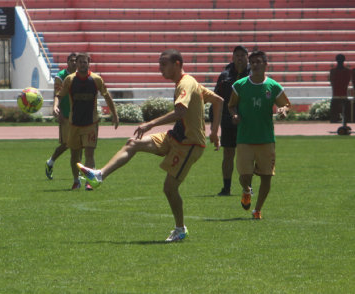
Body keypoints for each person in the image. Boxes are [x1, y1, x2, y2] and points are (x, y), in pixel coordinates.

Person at [78, 49, 224, 242]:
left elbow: (180, 112)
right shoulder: (190, 82)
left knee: (169, 188)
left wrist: (150, 124)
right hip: (175, 137)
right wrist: (214, 131)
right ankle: (99, 175)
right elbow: (218, 101)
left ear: (177, 64)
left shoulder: (186, 83)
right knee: (133, 143)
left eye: (163, 64)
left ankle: (180, 229)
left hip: (190, 144)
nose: (160, 68)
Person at [228, 50, 291, 220]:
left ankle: (257, 210)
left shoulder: (273, 86)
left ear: (265, 65)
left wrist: (283, 110)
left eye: (258, 62)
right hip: (245, 138)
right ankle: (247, 190)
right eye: (252, 62)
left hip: (266, 138)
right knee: (244, 175)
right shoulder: (240, 85)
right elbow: (231, 105)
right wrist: (234, 114)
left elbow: (285, 104)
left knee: (266, 176)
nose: (255, 65)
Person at [53, 52, 119, 190]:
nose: (83, 64)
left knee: (89, 153)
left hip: (91, 123)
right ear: (76, 64)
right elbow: (59, 95)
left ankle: (90, 181)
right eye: (81, 62)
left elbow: (107, 96)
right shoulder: (69, 80)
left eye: (85, 62)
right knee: (74, 155)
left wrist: (115, 114)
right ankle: (76, 180)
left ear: (89, 63)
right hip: (74, 123)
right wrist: (55, 106)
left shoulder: (96, 79)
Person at [211, 45, 250, 196]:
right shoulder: (225, 76)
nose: (240, 58)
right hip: (228, 121)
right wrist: (214, 121)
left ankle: (247, 187)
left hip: (247, 122)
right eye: (237, 55)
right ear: (233, 58)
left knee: (246, 155)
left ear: (247, 58)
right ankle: (226, 187)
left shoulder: (253, 75)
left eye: (242, 55)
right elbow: (217, 98)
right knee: (228, 153)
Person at [45, 53, 77, 180]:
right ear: (67, 62)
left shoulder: (80, 75)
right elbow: (57, 94)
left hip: (78, 115)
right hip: (66, 114)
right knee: (67, 144)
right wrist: (58, 110)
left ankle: (79, 172)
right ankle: (50, 162)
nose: (74, 63)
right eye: (72, 60)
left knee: (79, 144)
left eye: (76, 60)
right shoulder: (61, 76)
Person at [329, 54, 352, 122]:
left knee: (334, 117)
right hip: (344, 95)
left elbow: (332, 82)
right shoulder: (348, 71)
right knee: (347, 117)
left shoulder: (332, 71)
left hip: (336, 95)